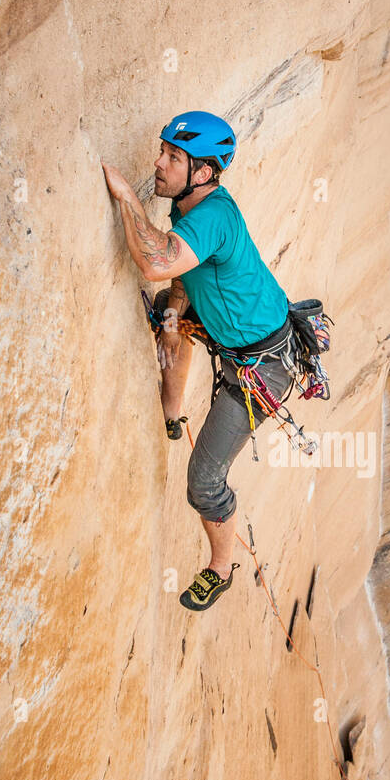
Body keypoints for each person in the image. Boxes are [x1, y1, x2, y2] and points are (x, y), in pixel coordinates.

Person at [102, 111, 294, 612]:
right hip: (243, 340)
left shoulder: (211, 216)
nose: (159, 164)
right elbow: (181, 276)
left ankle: (221, 568)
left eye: (173, 157)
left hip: (261, 370)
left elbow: (155, 260)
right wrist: (174, 309)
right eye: (162, 151)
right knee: (174, 318)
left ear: (203, 172)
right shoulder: (192, 206)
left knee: (203, 481)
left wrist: (125, 197)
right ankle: (173, 411)